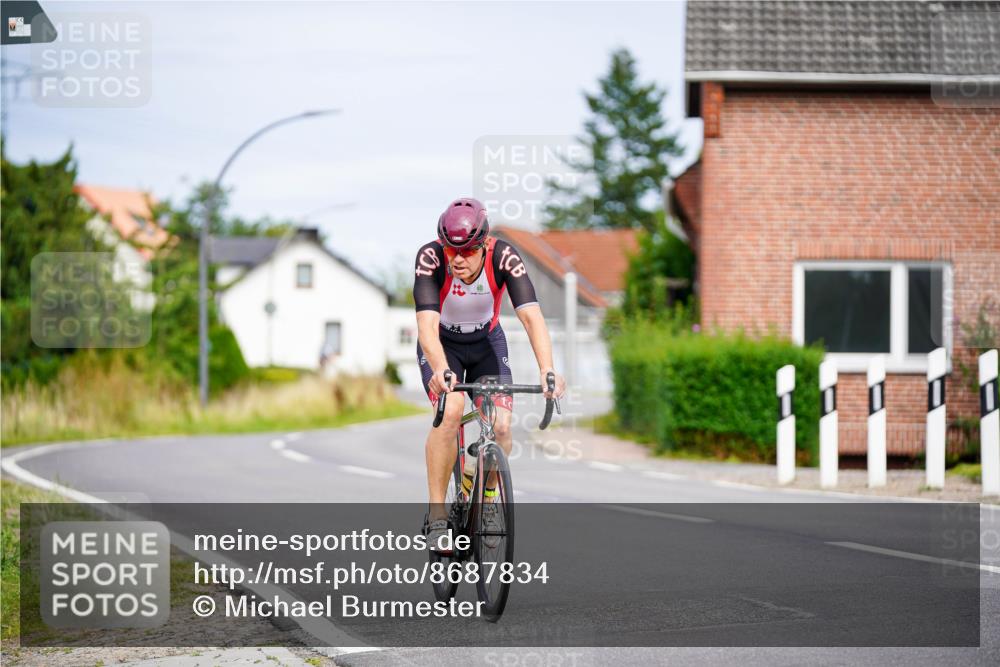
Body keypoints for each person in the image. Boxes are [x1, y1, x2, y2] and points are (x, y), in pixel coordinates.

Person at [414, 197, 566, 552]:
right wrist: (440, 369)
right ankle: (438, 517)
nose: (458, 260)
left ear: (484, 245)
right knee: (451, 412)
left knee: (499, 425)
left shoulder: (504, 257)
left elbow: (531, 317)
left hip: (486, 343)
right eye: (451, 251)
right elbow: (426, 327)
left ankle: (485, 495)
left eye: (467, 252)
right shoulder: (430, 258)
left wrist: (548, 370)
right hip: (442, 345)